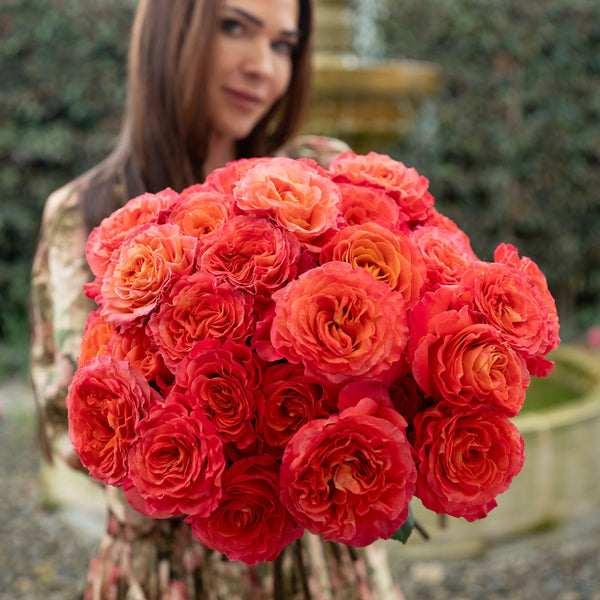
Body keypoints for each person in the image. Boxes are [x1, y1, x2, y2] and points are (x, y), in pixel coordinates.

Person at [28, 1, 402, 599]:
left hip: (314, 569)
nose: (263, 67)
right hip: (167, 575)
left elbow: (398, 328)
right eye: (236, 28)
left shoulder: (321, 179)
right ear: (170, 32)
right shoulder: (82, 215)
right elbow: (67, 432)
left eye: (283, 45)